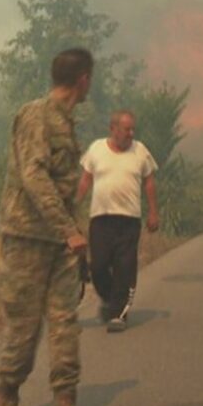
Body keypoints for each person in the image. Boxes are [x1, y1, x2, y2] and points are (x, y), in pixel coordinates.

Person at [0, 48, 93, 406]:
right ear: (83, 79)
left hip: (61, 243)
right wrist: (66, 228)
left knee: (66, 323)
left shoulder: (66, 121)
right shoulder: (36, 115)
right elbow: (35, 177)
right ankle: (6, 399)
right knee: (24, 326)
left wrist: (73, 232)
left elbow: (67, 186)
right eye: (89, 80)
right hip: (27, 238)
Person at [75, 110, 159, 333]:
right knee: (98, 266)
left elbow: (149, 182)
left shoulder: (140, 151)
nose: (131, 133)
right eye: (126, 129)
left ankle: (118, 313)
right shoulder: (96, 149)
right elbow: (85, 181)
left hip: (129, 220)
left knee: (125, 267)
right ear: (113, 129)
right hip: (101, 219)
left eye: (133, 129)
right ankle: (112, 300)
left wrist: (153, 212)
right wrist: (71, 207)